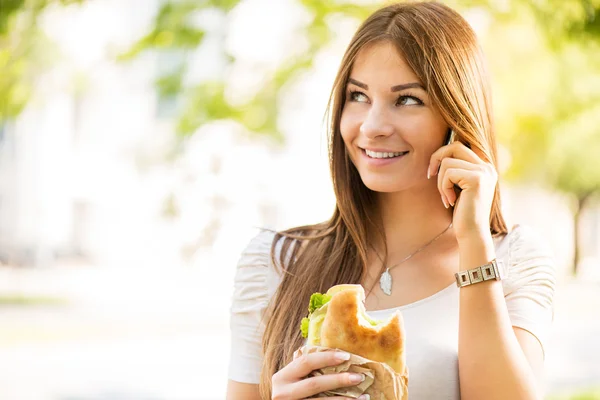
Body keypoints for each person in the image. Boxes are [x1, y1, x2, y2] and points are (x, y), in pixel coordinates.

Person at [226, 1, 556, 399]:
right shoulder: (275, 262)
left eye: (407, 100)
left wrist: (473, 241)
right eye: (358, 96)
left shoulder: (513, 258)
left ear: (457, 118)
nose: (373, 126)